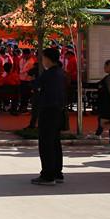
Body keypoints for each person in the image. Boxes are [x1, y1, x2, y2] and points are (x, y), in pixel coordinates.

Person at [32, 48, 66, 185]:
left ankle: (48, 175)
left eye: (43, 58)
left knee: (46, 143)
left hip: (48, 110)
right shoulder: (60, 73)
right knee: (55, 142)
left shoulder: (49, 74)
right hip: (58, 111)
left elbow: (36, 86)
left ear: (47, 59)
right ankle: (57, 172)